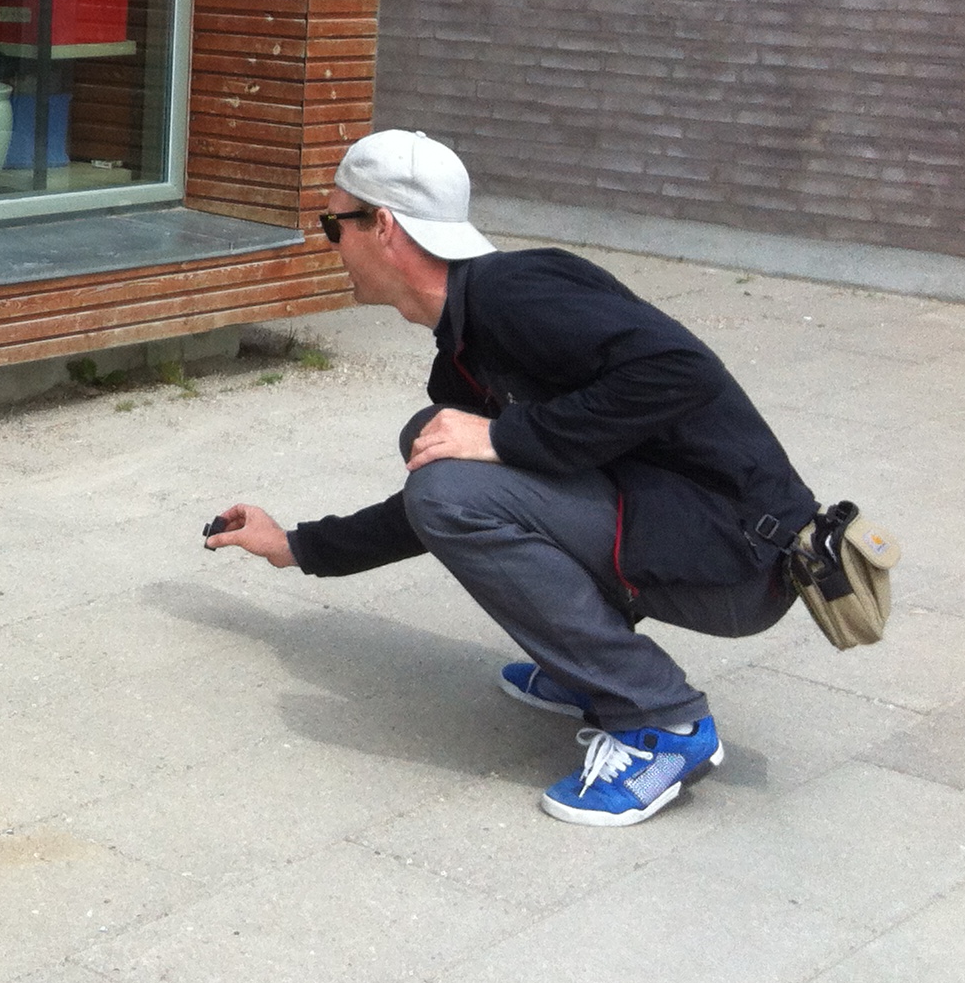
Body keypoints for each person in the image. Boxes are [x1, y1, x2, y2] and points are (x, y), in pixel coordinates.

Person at [207, 129, 820, 826]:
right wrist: (297, 546)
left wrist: (502, 435)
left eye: (331, 224)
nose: (329, 243)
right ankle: (585, 666)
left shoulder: (516, 294)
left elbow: (677, 372)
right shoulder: (470, 335)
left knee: (453, 473)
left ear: (383, 227)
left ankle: (661, 723)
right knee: (438, 444)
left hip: (741, 559)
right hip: (696, 539)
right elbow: (438, 497)